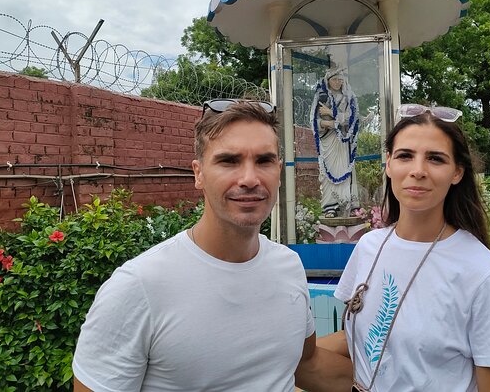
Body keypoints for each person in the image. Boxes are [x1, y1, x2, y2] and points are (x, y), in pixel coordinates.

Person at [73, 99, 352, 391]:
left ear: (278, 171)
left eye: (264, 161)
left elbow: (306, 365)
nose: (249, 179)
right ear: (198, 173)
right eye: (229, 161)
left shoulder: (288, 265)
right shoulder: (139, 286)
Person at [319, 104, 490, 391]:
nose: (418, 171)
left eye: (435, 159)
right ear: (388, 164)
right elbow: (362, 339)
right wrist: (286, 352)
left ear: (457, 172)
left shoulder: (485, 274)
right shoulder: (369, 246)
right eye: (405, 156)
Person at [310, 67, 361, 218]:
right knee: (328, 174)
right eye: (334, 79)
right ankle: (329, 206)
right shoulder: (321, 96)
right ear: (328, 80)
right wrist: (327, 124)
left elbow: (352, 118)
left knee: (345, 172)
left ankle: (346, 204)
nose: (338, 82)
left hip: (343, 141)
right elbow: (313, 120)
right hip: (328, 140)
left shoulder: (348, 97)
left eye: (340, 79)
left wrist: (332, 114)